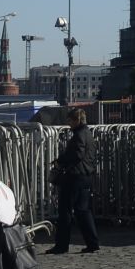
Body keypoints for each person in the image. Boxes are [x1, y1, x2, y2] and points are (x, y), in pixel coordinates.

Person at [48, 108, 99, 255]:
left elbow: (76, 154)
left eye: (70, 120)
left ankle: (61, 245)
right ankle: (92, 243)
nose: (68, 123)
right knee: (83, 211)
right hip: (86, 175)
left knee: (65, 211)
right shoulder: (88, 134)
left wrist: (61, 162)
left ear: (76, 120)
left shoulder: (79, 135)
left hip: (75, 177)